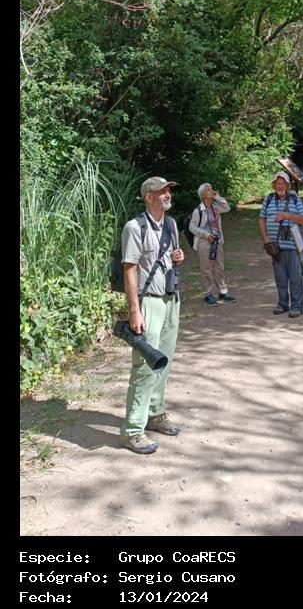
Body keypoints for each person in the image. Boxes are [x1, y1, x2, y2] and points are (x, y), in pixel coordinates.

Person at [119, 176, 185, 455]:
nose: (168, 194)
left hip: (171, 300)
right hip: (148, 304)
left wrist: (178, 257)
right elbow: (129, 269)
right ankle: (133, 430)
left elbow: (169, 259)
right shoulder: (134, 227)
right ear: (149, 197)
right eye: (162, 191)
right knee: (145, 366)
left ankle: (155, 413)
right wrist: (134, 310)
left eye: (169, 190)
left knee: (163, 362)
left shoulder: (171, 224)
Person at [259, 171, 303, 318]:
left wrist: (287, 216)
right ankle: (282, 304)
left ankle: (297, 306)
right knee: (280, 277)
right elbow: (262, 219)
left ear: (287, 185)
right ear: (274, 185)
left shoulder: (294, 198)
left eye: (283, 183)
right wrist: (265, 238)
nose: (280, 186)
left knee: (295, 278)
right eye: (277, 183)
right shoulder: (268, 199)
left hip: (292, 245)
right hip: (275, 246)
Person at [187, 183, 236, 306]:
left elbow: (227, 208)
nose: (212, 191)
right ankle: (208, 294)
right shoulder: (198, 210)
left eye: (211, 189)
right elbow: (191, 227)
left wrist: (217, 197)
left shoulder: (216, 207)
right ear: (203, 194)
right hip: (204, 242)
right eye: (208, 190)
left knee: (219, 267)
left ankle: (222, 292)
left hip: (217, 240)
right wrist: (205, 235)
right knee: (206, 268)